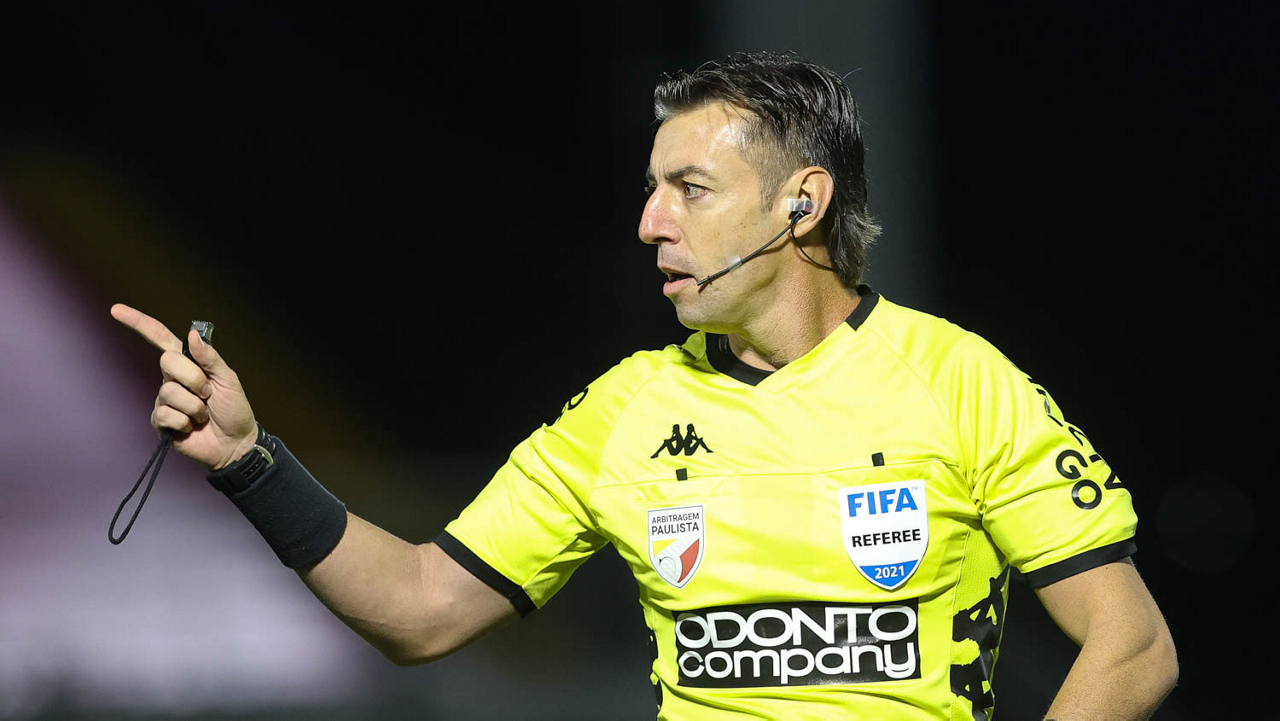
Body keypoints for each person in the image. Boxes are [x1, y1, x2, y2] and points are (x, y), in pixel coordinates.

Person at [111, 51, 1177, 720]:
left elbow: (1129, 646)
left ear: (800, 204)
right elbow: (421, 609)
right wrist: (250, 461)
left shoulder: (960, 380)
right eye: (650, 188)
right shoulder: (625, 408)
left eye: (689, 189)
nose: (649, 221)